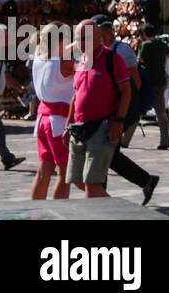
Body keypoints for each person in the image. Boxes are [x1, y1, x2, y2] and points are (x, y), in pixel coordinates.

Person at [91, 17, 159, 205]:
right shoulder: (97, 52)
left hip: (117, 112)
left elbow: (133, 83)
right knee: (108, 155)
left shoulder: (122, 50)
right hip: (104, 112)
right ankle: (145, 181)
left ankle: (99, 196)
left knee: (105, 153)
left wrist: (123, 114)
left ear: (106, 32)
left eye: (96, 33)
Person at [65, 18, 131, 197]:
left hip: (103, 126)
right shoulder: (80, 61)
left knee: (91, 183)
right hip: (79, 128)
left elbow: (126, 91)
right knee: (77, 180)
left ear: (98, 37)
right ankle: (117, 212)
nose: (81, 43)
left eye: (85, 38)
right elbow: (76, 95)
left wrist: (119, 121)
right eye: (78, 39)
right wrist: (67, 125)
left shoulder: (112, 58)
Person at [30, 22, 74, 199]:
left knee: (43, 172)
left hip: (42, 119)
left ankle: (36, 214)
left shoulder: (38, 58)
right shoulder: (64, 61)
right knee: (64, 174)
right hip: (57, 122)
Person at [0, 23, 26, 171]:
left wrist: (16, 86)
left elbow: (4, 73)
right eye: (5, 35)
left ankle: (7, 158)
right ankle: (7, 158)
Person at [135, 24, 169, 149]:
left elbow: (139, 61)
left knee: (137, 110)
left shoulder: (145, 45)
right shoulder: (162, 45)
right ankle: (165, 141)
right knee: (161, 113)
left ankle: (125, 140)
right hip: (160, 81)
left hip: (147, 81)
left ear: (144, 35)